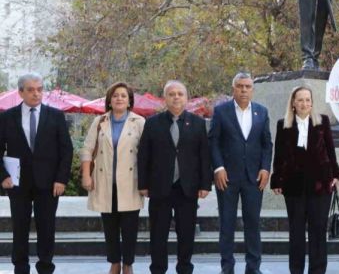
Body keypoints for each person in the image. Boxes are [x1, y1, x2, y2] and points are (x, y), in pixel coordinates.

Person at [0, 73, 73, 274]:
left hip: (49, 184)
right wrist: (3, 175)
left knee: (47, 229)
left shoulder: (56, 116)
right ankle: (20, 268)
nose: (36, 94)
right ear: (21, 92)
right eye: (31, 90)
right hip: (18, 184)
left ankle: (46, 267)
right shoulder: (7, 117)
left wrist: (61, 179)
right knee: (20, 229)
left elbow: (66, 150)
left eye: (40, 89)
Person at [137, 80, 211, 274]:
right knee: (158, 233)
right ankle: (158, 269)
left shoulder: (197, 123)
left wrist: (205, 184)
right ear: (165, 99)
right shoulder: (152, 123)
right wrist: (143, 184)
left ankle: (185, 268)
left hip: (187, 188)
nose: (176, 97)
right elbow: (144, 155)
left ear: (186, 98)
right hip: (160, 187)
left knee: (186, 233)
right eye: (172, 94)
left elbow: (204, 155)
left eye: (180, 94)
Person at [271, 85, 339, 274]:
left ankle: (317, 270)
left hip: (320, 185)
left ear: (312, 102)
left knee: (318, 231)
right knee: (296, 232)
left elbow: (330, 150)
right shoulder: (283, 124)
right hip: (293, 187)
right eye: (300, 99)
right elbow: (279, 155)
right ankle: (296, 270)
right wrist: (276, 180)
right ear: (293, 103)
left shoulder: (322, 121)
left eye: (307, 100)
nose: (304, 103)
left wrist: (336, 174)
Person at [209, 72, 273, 274]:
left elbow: (266, 144)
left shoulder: (262, 112)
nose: (244, 90)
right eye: (240, 86)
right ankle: (227, 267)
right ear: (233, 89)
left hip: (254, 178)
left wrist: (265, 168)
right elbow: (213, 142)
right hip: (226, 177)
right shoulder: (221, 112)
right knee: (226, 223)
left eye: (247, 86)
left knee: (252, 223)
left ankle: (253, 268)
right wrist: (218, 168)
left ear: (252, 89)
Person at [80, 82, 145, 274]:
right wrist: (86, 175)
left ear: (129, 100)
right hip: (104, 182)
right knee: (110, 228)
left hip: (130, 183)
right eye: (115, 95)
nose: (119, 99)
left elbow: (147, 154)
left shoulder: (139, 122)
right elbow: (87, 149)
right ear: (109, 100)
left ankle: (128, 264)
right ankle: (114, 262)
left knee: (130, 228)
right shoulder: (100, 121)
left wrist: (146, 182)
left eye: (123, 96)